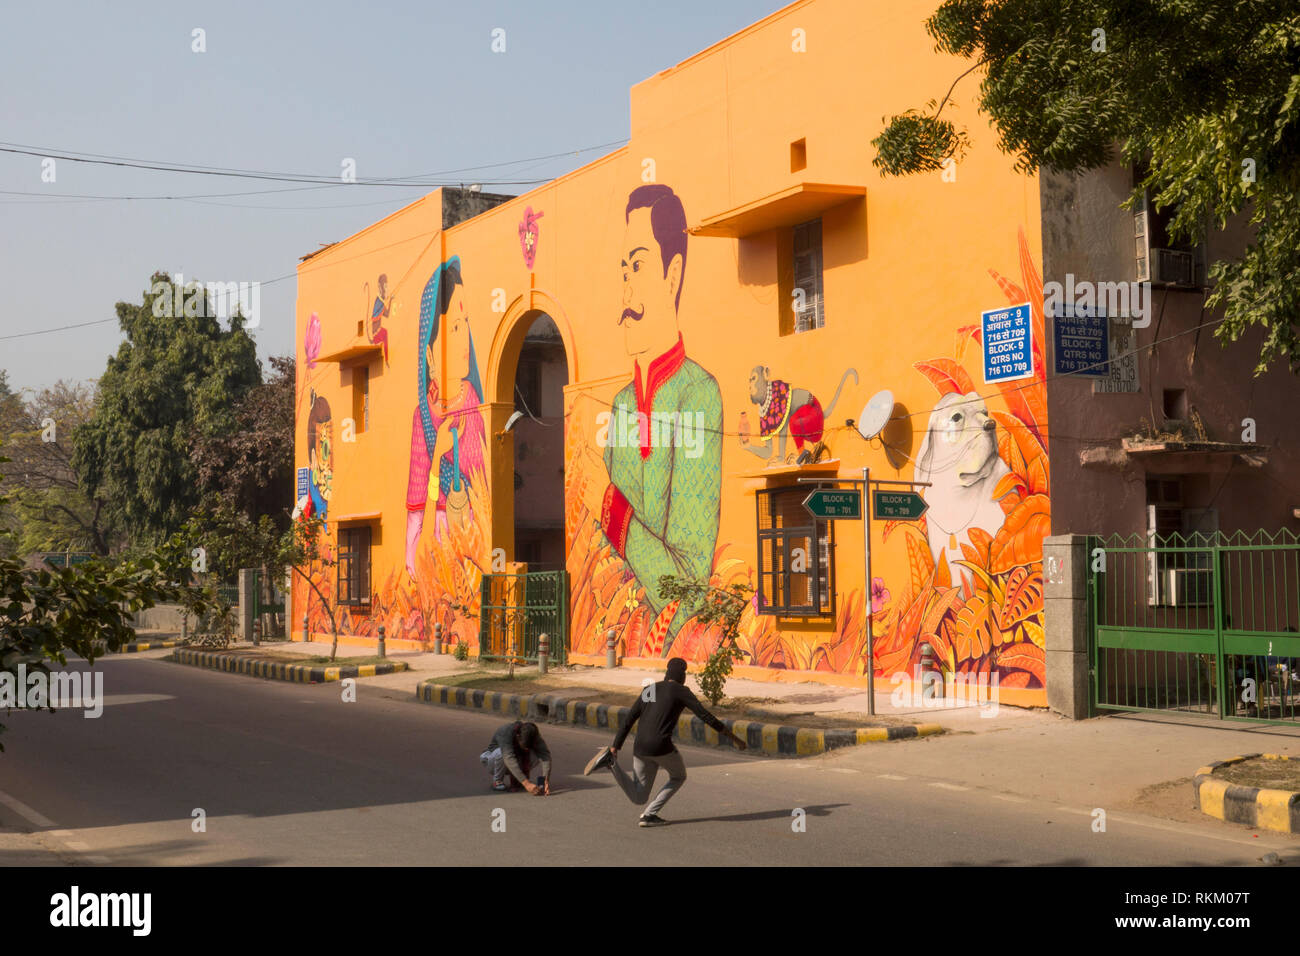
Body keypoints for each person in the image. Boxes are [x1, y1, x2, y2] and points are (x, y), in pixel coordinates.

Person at [578, 184, 723, 654]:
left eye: (638, 265)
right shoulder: (620, 406)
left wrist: (612, 511)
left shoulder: (698, 395)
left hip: (669, 642)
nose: (626, 286)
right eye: (623, 268)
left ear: (672, 274)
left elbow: (688, 585)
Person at [584, 657, 745, 826]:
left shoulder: (650, 689)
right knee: (679, 776)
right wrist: (734, 738)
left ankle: (613, 766)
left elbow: (629, 719)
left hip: (640, 747)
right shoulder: (681, 690)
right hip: (661, 746)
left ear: (667, 673)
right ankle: (650, 813)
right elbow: (705, 716)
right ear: (682, 675)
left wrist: (616, 746)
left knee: (639, 797)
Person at [480, 720, 552, 794]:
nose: (526, 749)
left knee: (538, 753)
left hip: (514, 760)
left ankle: (519, 779)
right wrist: (526, 783)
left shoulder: (534, 735)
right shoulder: (505, 732)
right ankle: (497, 780)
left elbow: (545, 755)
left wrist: (545, 780)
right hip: (492, 761)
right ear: (518, 736)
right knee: (502, 753)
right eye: (524, 746)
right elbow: (509, 758)